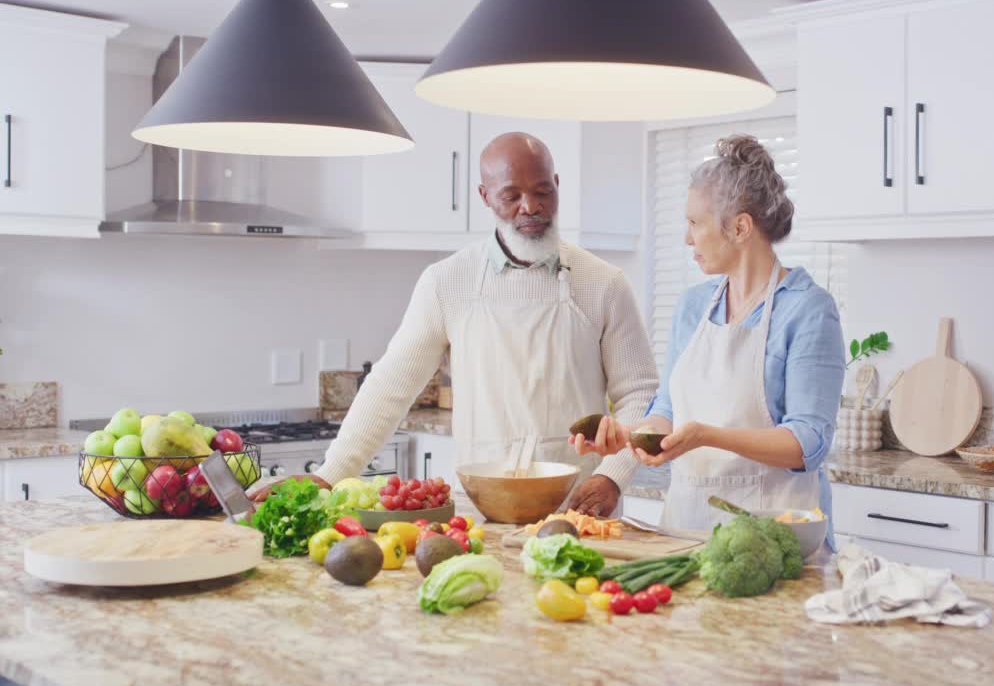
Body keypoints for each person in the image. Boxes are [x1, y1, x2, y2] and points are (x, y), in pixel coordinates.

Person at [250, 133, 658, 517]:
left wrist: (613, 476)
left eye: (541, 191)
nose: (529, 207)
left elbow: (639, 395)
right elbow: (392, 384)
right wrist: (331, 473)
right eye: (511, 195)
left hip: (581, 504)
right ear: (485, 196)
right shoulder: (447, 282)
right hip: (481, 506)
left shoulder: (603, 283)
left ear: (557, 184)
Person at [572, 134, 845, 541]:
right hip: (686, 529)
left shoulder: (808, 309)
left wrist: (706, 436)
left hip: (773, 538)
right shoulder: (693, 306)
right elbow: (667, 407)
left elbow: (808, 443)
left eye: (695, 223)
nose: (686, 238)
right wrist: (630, 437)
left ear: (739, 227)